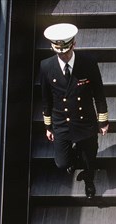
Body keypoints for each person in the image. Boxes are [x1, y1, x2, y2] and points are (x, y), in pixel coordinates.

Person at [40, 23, 109, 198]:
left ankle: (89, 180)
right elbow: (46, 98)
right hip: (61, 122)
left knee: (89, 158)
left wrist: (103, 121)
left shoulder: (88, 63)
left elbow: (99, 94)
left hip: (85, 120)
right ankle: (73, 155)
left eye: (66, 51)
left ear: (74, 45)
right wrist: (49, 126)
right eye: (59, 52)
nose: (63, 55)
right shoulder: (46, 66)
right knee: (62, 164)